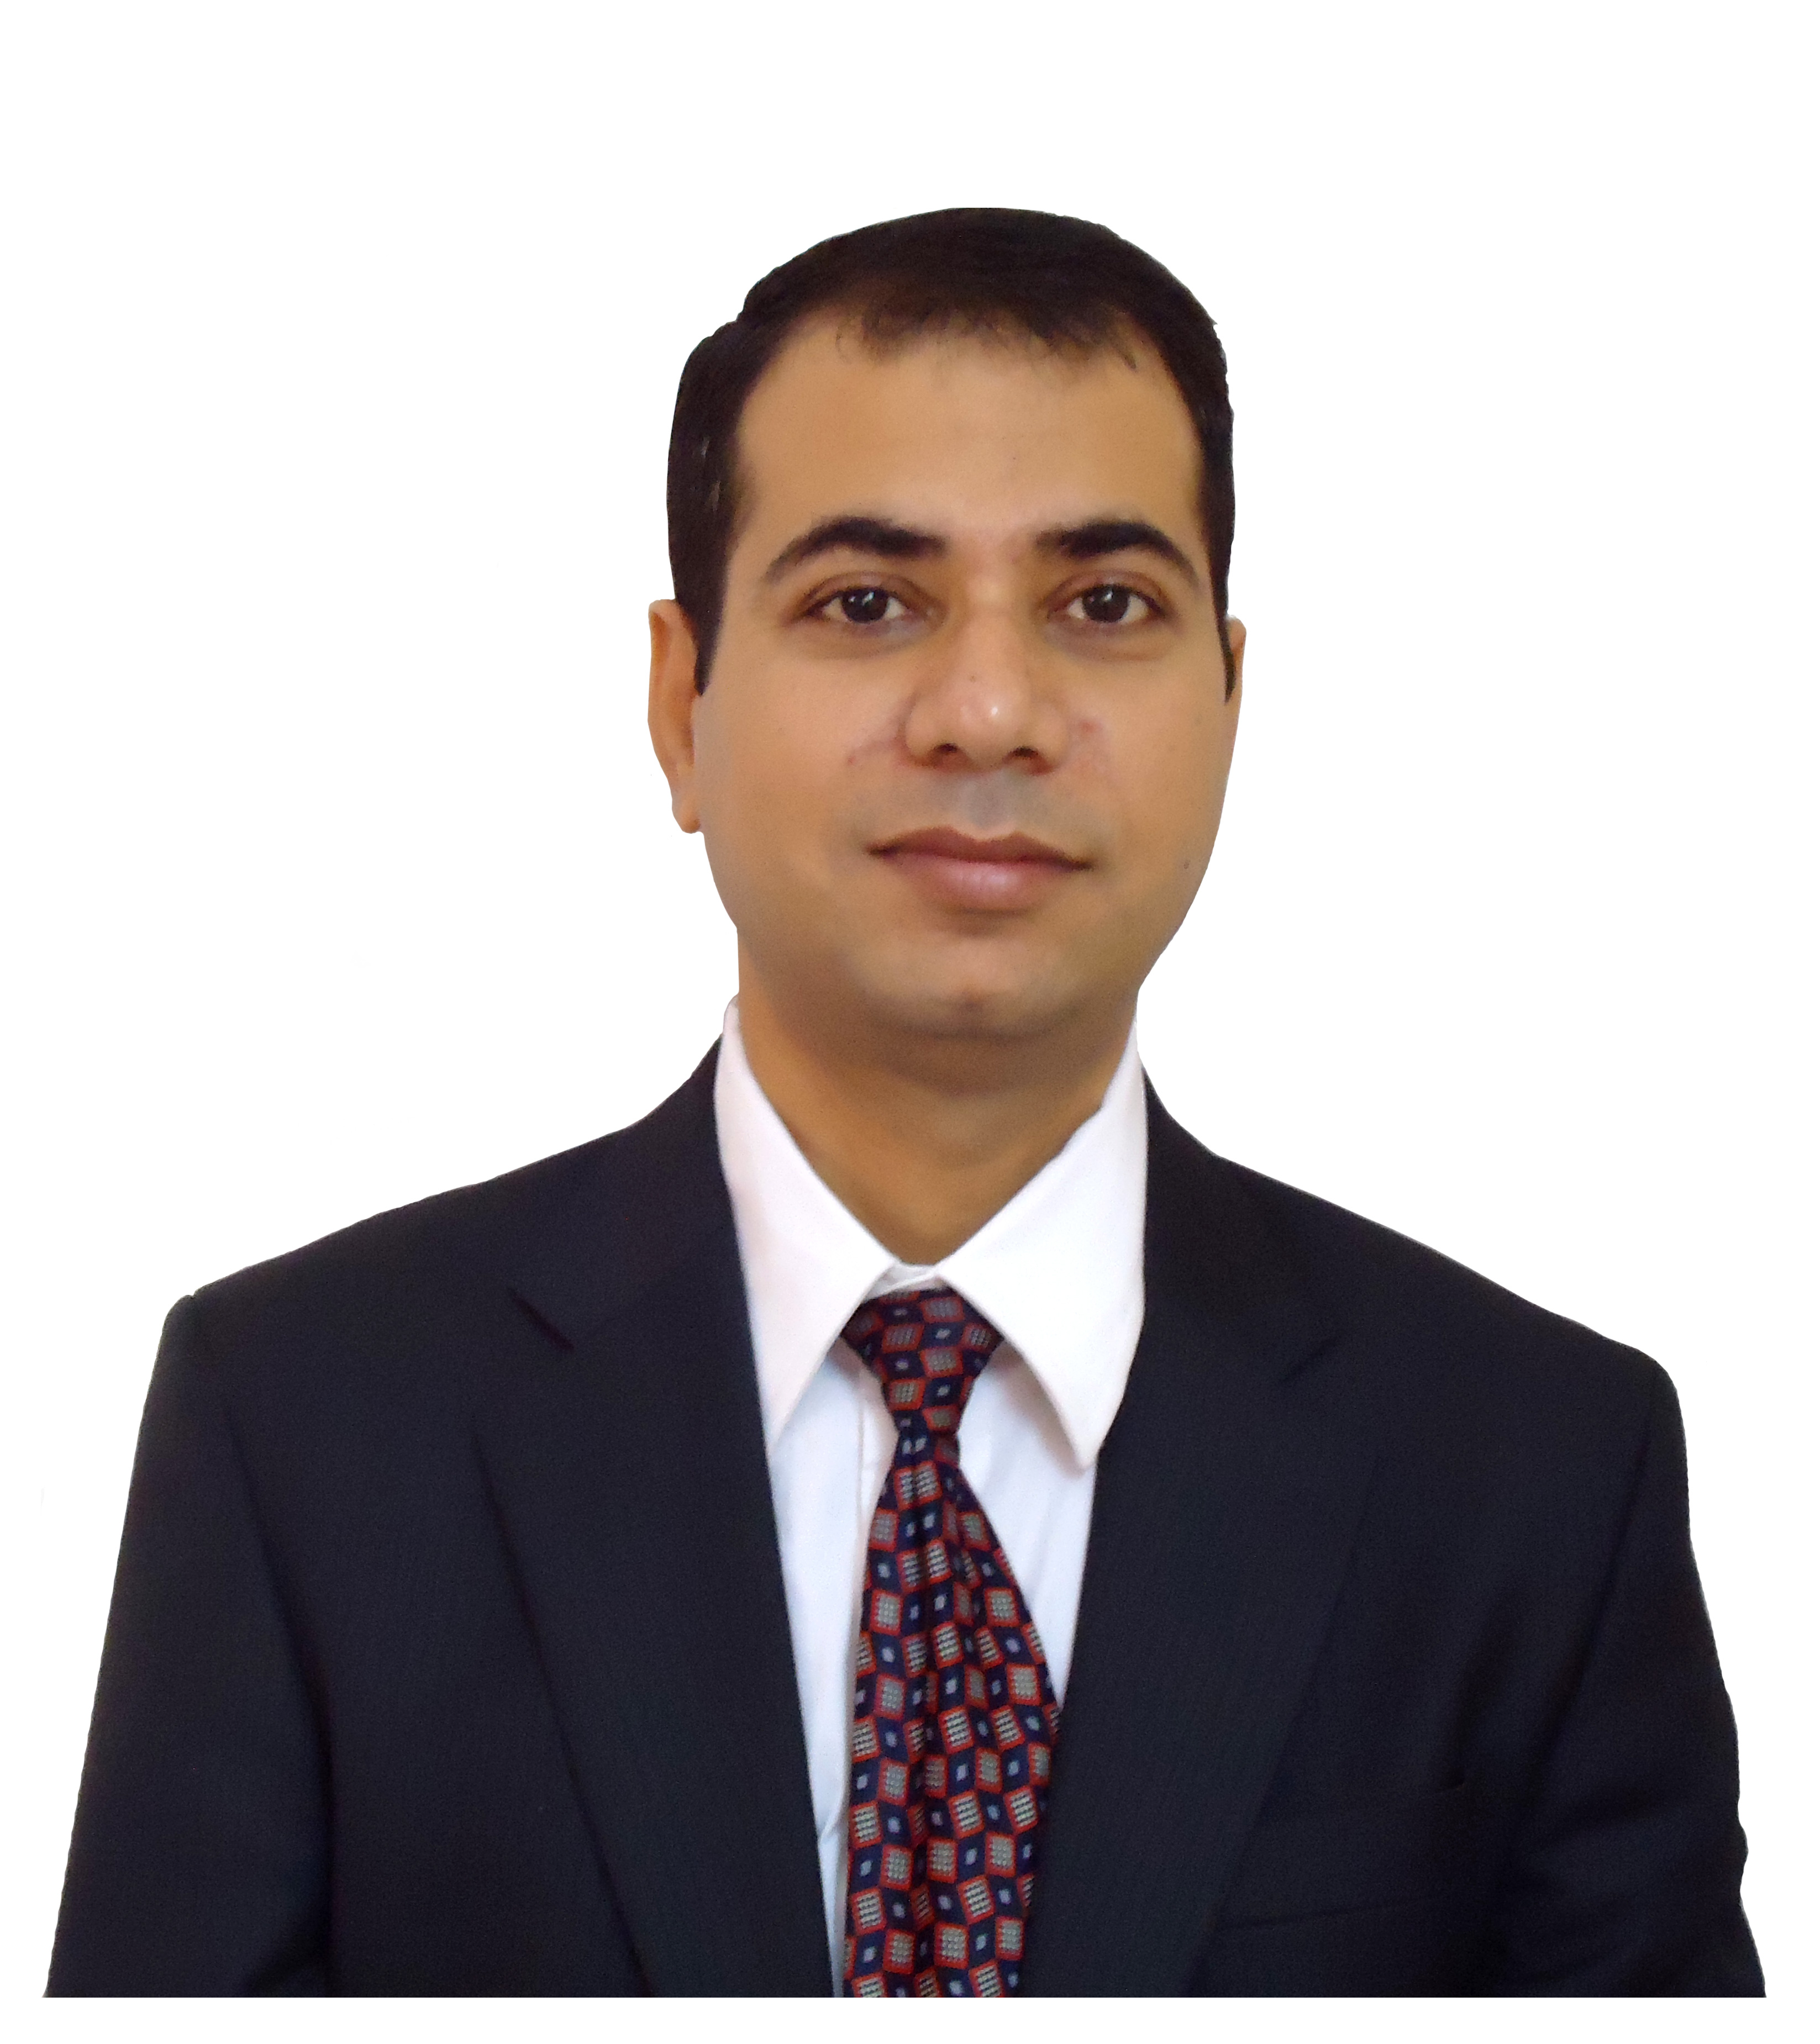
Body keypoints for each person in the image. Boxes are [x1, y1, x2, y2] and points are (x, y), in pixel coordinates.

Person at [48, 208, 1761, 1997]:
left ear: (1230, 698)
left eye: (1105, 605)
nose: (990, 709)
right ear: (681, 701)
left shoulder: (1535, 1471)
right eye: (867, 603)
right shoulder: (306, 1426)